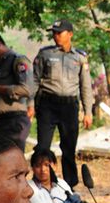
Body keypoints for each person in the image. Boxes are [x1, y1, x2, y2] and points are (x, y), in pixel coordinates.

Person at [33, 19, 94, 188]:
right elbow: (34, 81)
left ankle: (69, 186)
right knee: (43, 147)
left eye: (59, 33)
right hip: (47, 104)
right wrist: (29, 105)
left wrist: (88, 112)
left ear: (70, 34)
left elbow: (85, 86)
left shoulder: (79, 57)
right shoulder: (45, 54)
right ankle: (41, 184)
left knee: (69, 148)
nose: (56, 36)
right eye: (54, 33)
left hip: (69, 106)